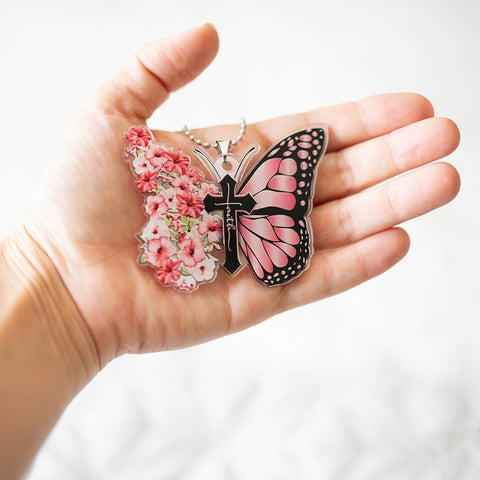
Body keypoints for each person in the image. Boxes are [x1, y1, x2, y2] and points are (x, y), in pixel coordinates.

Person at [0, 23, 460, 479]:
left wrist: (53, 288)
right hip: (254, 235)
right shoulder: (184, 190)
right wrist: (53, 277)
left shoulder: (198, 190)